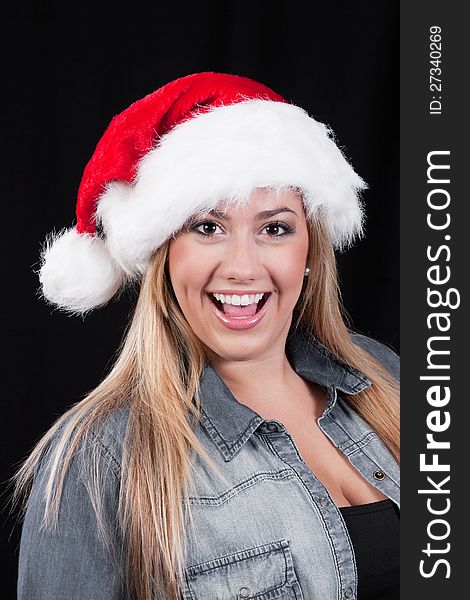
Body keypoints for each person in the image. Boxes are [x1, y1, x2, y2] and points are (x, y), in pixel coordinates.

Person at [13, 72, 399, 600]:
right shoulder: (100, 458)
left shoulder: (385, 380)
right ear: (165, 253)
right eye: (208, 227)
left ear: (310, 252)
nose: (242, 267)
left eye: (275, 228)